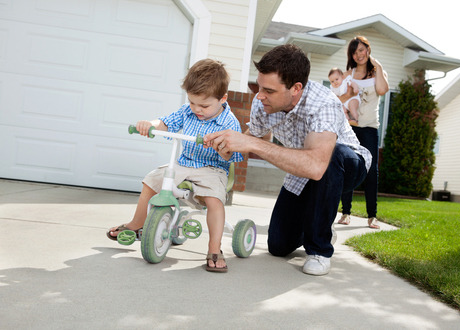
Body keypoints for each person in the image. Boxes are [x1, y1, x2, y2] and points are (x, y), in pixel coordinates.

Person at [203, 44, 372, 276]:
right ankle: (321, 220)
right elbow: (250, 139)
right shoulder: (262, 103)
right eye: (260, 87)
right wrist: (227, 146)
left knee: (333, 156)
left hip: (346, 165)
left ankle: (320, 250)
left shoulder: (324, 104)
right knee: (278, 245)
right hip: (302, 169)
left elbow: (316, 166)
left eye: (269, 91)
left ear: (296, 88)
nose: (260, 95)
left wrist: (253, 144)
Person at [107, 59, 244, 273]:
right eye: (192, 102)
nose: (197, 109)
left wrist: (220, 148)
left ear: (222, 99)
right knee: (152, 180)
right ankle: (136, 224)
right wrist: (149, 125)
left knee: (214, 199)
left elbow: (231, 156)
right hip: (184, 164)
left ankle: (214, 248)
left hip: (213, 169)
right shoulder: (186, 111)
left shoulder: (229, 122)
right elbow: (165, 122)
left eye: (204, 105)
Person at [336, 36, 389, 228]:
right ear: (352, 54)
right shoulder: (347, 74)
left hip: (369, 128)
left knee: (371, 171)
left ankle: (372, 216)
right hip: (349, 128)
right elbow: (340, 99)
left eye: (362, 49)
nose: (360, 54)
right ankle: (346, 213)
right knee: (348, 167)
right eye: (355, 51)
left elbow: (382, 90)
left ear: (368, 49)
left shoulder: (377, 73)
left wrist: (380, 67)